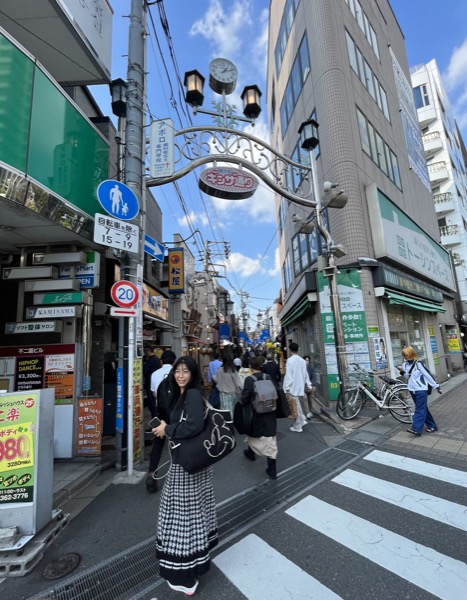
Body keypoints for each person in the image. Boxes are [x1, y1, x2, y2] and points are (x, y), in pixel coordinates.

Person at [153, 357, 217, 595]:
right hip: (195, 462)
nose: (180, 375)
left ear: (193, 375)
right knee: (191, 513)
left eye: (185, 372)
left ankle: (185, 576)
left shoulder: (191, 394)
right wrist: (165, 424)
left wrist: (167, 429)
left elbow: (193, 427)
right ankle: (195, 561)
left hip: (187, 465)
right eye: (178, 371)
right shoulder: (183, 394)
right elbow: (186, 422)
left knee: (180, 514)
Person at [241, 355, 278, 480]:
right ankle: (272, 469)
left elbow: (244, 399)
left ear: (251, 368)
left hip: (256, 413)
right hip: (270, 413)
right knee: (270, 440)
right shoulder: (268, 377)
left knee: (253, 435)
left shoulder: (249, 380)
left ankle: (251, 453)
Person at [146, 350, 177, 493]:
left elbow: (153, 394)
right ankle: (180, 477)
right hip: (177, 413)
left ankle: (152, 474)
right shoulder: (179, 374)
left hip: (161, 412)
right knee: (179, 443)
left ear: (162, 361)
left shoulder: (155, 374)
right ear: (174, 361)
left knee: (158, 444)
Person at [398, 346, 440, 436]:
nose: (404, 357)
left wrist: (436, 386)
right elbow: (409, 377)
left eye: (405, 355)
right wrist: (402, 372)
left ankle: (416, 429)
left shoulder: (419, 364)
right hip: (412, 389)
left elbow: (428, 375)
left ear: (410, 354)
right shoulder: (405, 365)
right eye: (403, 355)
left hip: (421, 390)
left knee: (419, 409)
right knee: (422, 408)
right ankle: (432, 426)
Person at [283, 342, 311, 433]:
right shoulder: (302, 361)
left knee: (295, 405)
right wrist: (308, 384)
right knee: (297, 404)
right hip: (300, 385)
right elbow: (305, 374)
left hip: (292, 386)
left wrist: (286, 386)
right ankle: (302, 420)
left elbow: (289, 375)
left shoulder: (290, 361)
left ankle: (298, 426)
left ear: (290, 350)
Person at [143, 347, 161, 419]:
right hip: (156, 383)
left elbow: (145, 370)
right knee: (155, 404)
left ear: (147, 352)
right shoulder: (157, 359)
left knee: (152, 405)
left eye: (145, 352)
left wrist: (143, 364)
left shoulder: (150, 360)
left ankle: (155, 423)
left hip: (150, 384)